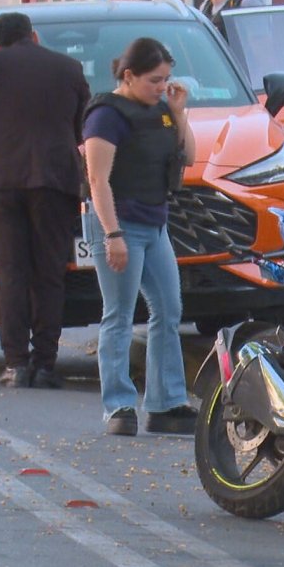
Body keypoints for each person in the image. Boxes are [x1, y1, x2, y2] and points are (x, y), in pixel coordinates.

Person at [0, 12, 90, 390]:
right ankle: (46, 363)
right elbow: (80, 125)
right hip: (54, 178)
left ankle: (16, 363)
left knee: (10, 272)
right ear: (33, 36)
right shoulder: (68, 67)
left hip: (1, 179)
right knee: (50, 273)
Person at [83, 37, 197, 436]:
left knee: (169, 309)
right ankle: (118, 406)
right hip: (120, 222)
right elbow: (97, 179)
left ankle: (166, 403)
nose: (161, 88)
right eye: (154, 80)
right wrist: (112, 234)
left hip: (155, 222)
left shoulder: (163, 109)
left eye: (166, 79)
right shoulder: (107, 115)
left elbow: (190, 155)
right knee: (119, 313)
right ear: (128, 76)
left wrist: (179, 113)